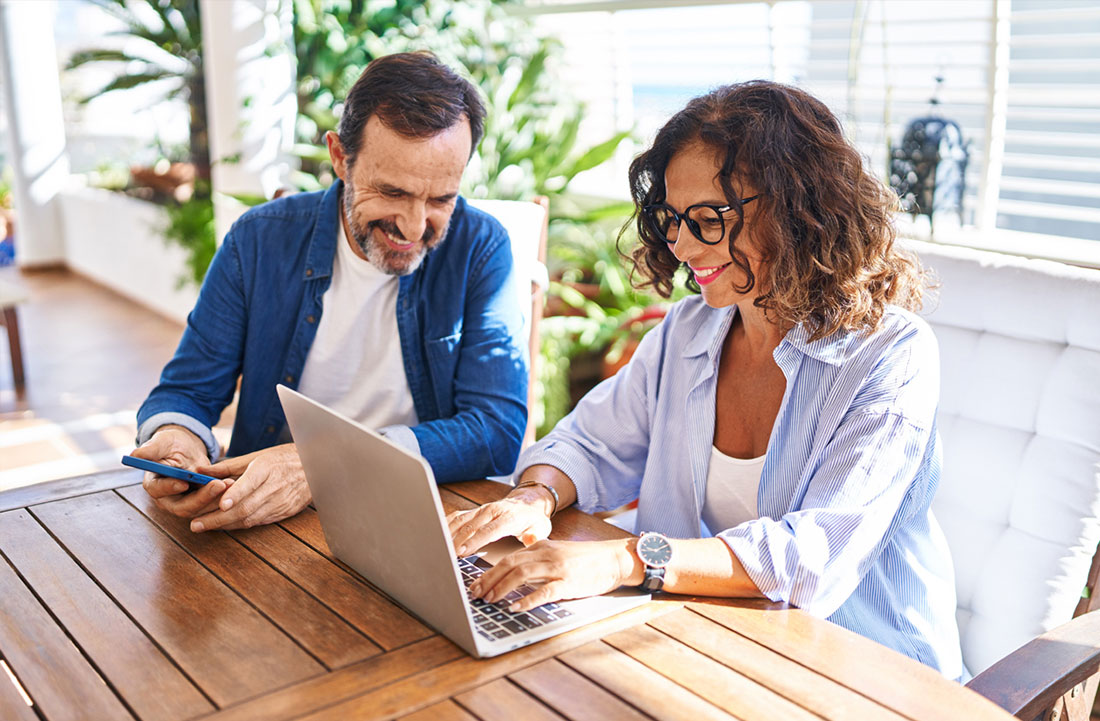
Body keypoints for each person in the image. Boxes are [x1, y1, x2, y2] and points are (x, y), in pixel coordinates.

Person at [448, 80, 964, 679]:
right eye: (673, 218)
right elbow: (590, 443)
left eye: (709, 218)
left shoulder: (890, 356)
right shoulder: (690, 330)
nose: (684, 243)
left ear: (798, 208)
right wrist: (534, 499)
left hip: (867, 676)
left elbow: (808, 561)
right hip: (713, 646)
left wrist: (625, 562)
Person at [133, 52, 528, 533]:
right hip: (268, 517)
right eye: (393, 192)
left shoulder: (481, 247)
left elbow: (496, 430)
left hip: (417, 512)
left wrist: (325, 464)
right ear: (341, 158)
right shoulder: (257, 239)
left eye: (441, 198)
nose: (414, 225)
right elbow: (188, 390)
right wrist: (177, 441)